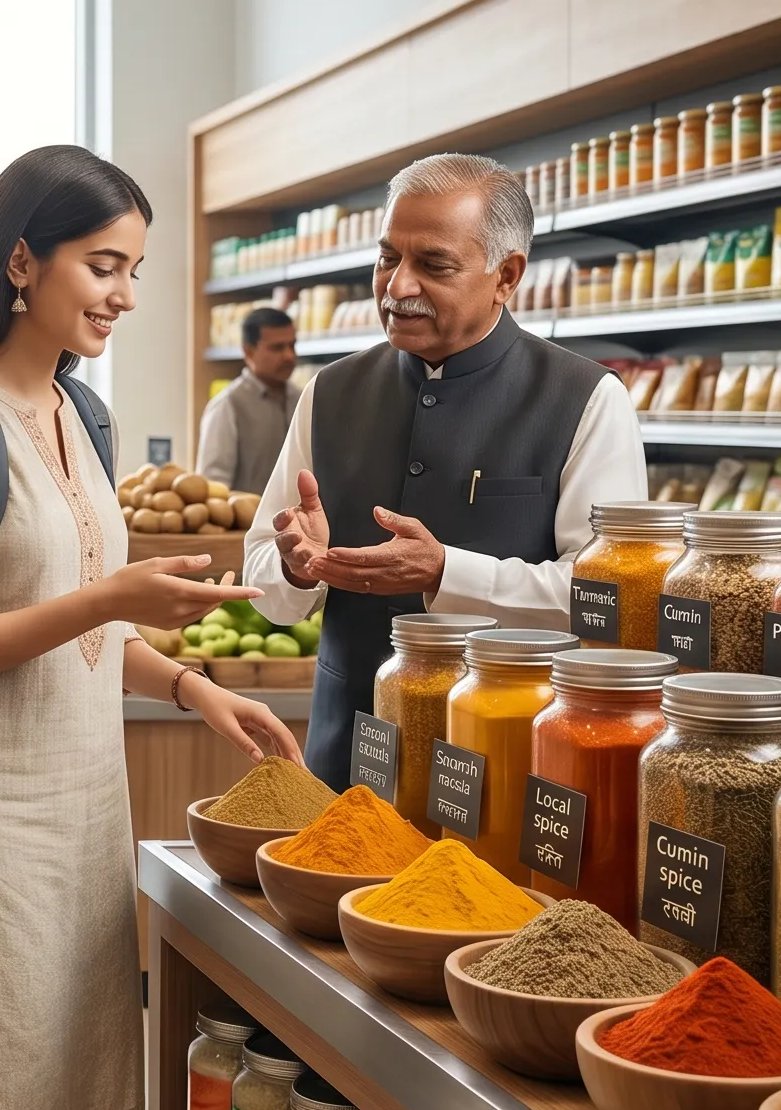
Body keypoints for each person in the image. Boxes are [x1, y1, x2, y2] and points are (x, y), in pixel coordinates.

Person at [0, 145, 301, 1110]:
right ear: (20, 262)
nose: (127, 295)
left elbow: (92, 629)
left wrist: (191, 686)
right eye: (104, 265)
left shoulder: (81, 415)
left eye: (134, 269)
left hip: (85, 822)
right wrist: (106, 600)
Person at [241, 152, 648, 785]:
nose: (398, 286)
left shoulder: (587, 398)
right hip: (347, 754)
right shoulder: (331, 391)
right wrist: (295, 566)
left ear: (506, 275)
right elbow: (265, 580)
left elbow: (606, 604)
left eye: (433, 265)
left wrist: (447, 573)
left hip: (510, 765)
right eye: (387, 258)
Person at [195, 305, 297, 496]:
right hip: (245, 525)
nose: (289, 356)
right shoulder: (228, 405)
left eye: (292, 345)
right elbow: (214, 487)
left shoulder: (302, 398)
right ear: (248, 352)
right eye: (277, 348)